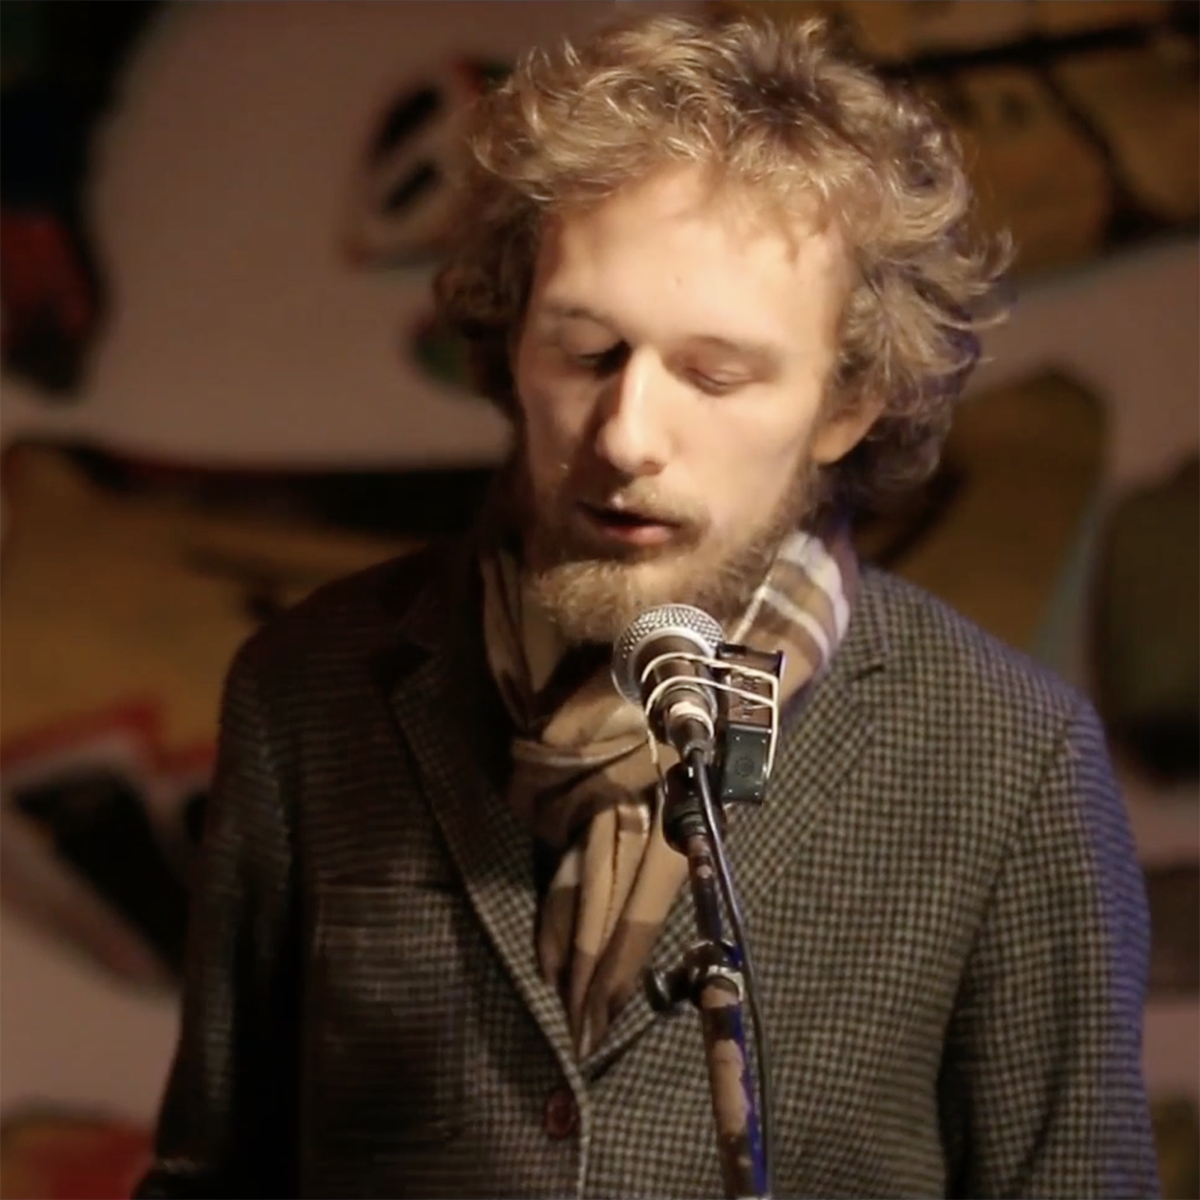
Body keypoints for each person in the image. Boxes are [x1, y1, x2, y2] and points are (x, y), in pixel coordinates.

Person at [133, 8, 1160, 1199]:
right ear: (510, 340)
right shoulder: (311, 691)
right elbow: (209, 1174)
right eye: (585, 351)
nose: (627, 436)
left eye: (715, 375)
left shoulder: (1007, 758)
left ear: (848, 404)